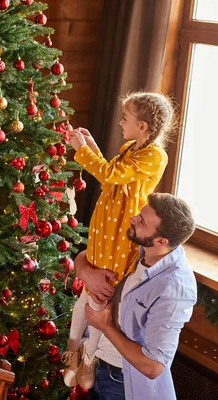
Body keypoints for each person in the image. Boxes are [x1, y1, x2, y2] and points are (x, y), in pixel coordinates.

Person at [63, 92, 175, 388]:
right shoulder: (130, 147)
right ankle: (73, 353)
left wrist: (80, 150)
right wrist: (90, 145)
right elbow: (110, 173)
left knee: (101, 300)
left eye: (126, 118)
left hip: (121, 234)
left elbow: (111, 174)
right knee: (85, 298)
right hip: (105, 230)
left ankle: (88, 358)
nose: (120, 123)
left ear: (143, 126)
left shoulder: (155, 155)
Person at [79, 193, 197, 399]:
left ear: (161, 240)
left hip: (121, 382)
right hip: (95, 361)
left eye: (141, 220)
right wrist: (86, 272)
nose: (133, 218)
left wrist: (105, 325)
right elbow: (88, 254)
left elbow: (153, 367)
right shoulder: (143, 247)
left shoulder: (174, 290)